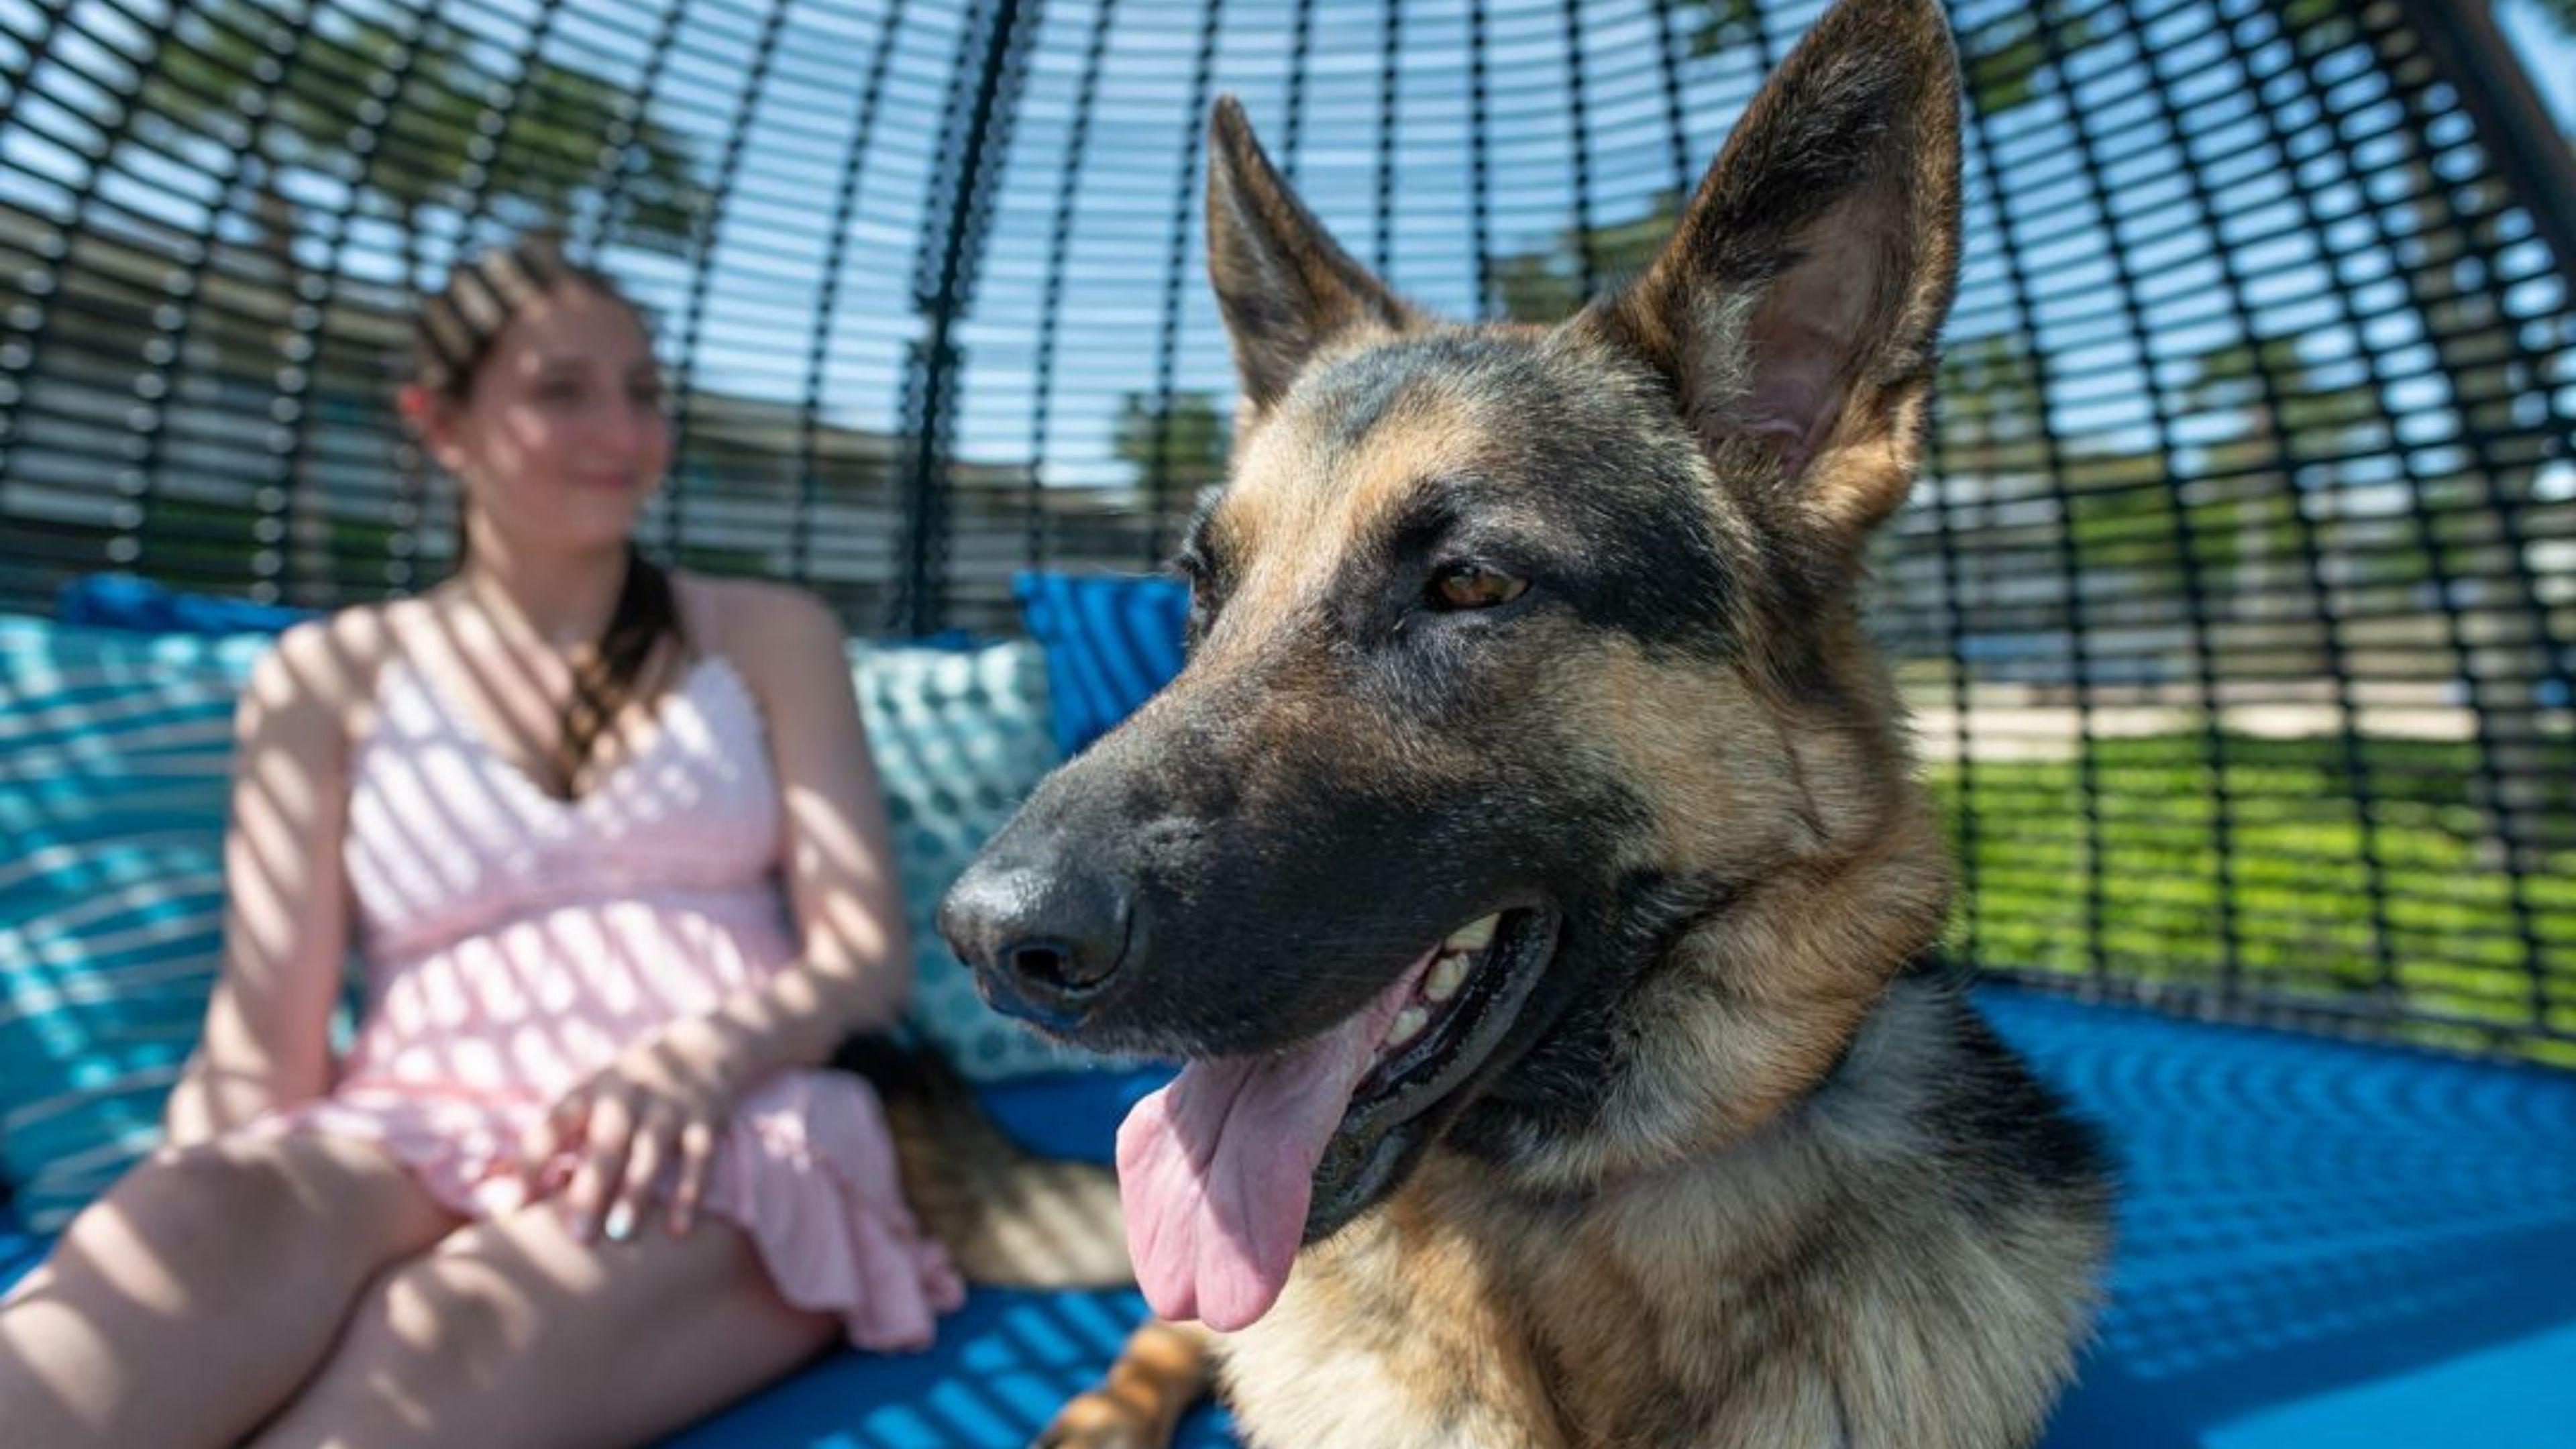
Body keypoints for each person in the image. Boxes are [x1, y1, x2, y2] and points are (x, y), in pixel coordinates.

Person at [0, 236, 961, 1448]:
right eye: (563, 390)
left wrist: (697, 1065)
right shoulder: (327, 675)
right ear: (440, 424)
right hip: (411, 1121)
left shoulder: (768, 633)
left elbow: (863, 957)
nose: (624, 429)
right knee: (192, 1229)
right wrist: (199, 1184)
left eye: (645, 391)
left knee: (445, 1337)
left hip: (726, 1120)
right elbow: (268, 1022)